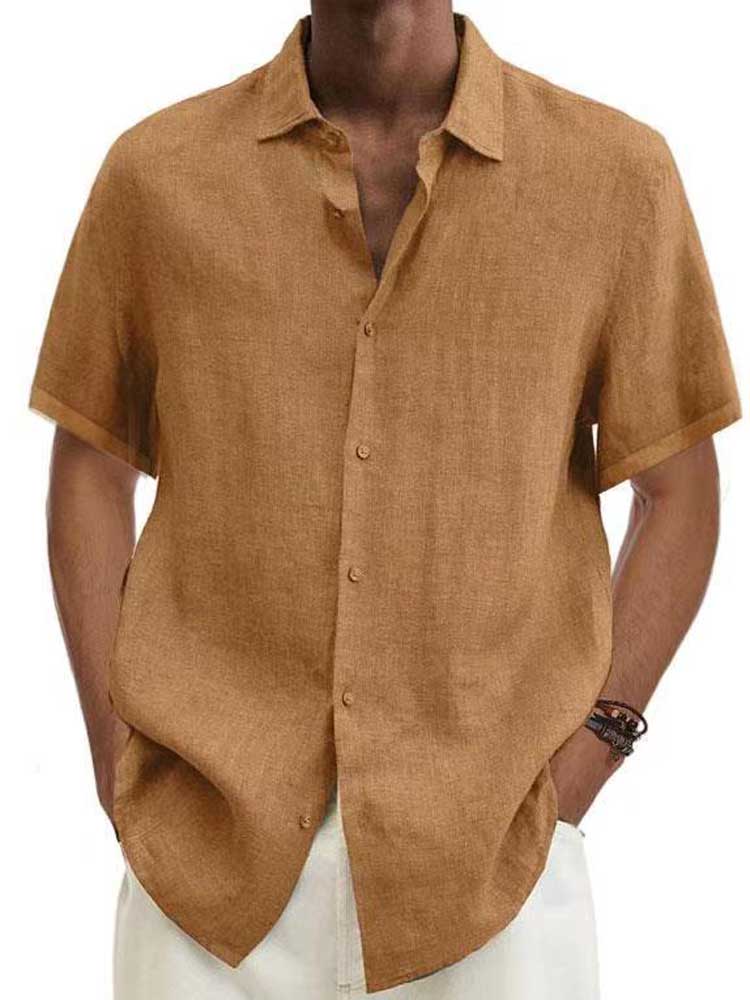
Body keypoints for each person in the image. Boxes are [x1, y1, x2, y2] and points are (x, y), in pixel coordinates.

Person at [29, 2, 741, 998]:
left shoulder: (615, 175)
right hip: (203, 877)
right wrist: (119, 767)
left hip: (497, 877)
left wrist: (592, 753)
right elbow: (90, 468)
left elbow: (676, 488)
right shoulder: (157, 175)